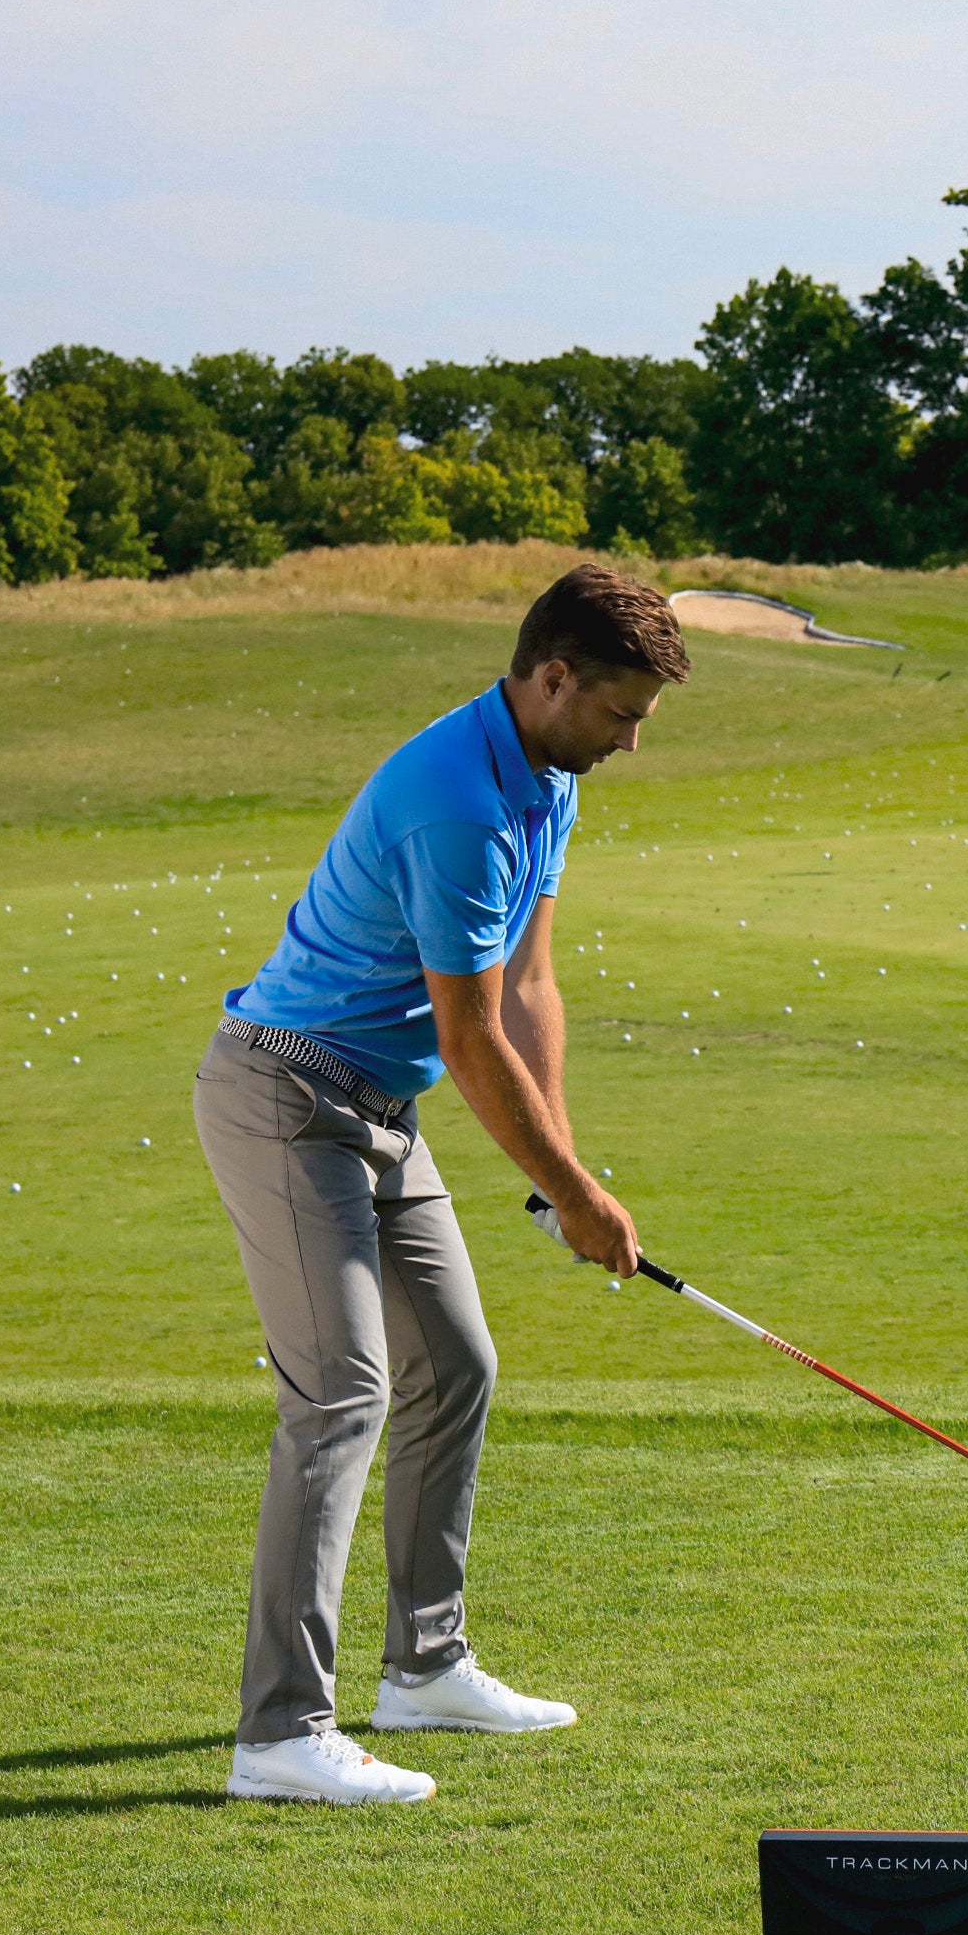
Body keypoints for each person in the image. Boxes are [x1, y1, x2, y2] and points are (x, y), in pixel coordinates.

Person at [192, 563, 681, 1806]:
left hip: (378, 1110)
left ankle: (425, 1665)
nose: (631, 740)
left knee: (457, 1363)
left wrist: (569, 1168)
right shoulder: (457, 799)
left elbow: (530, 988)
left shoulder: (549, 778)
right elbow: (471, 1041)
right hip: (287, 1098)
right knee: (341, 1394)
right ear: (551, 677)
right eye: (620, 712)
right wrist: (573, 1196)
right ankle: (279, 1734)